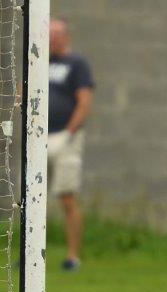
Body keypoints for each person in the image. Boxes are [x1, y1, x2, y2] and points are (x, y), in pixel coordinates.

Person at [48, 16, 94, 271]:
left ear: (66, 36)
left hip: (66, 138)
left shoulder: (77, 64)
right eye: (48, 36)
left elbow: (84, 101)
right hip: (38, 139)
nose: (52, 41)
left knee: (67, 198)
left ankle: (73, 256)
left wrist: (69, 132)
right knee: (30, 199)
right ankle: (31, 254)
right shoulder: (38, 62)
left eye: (56, 36)